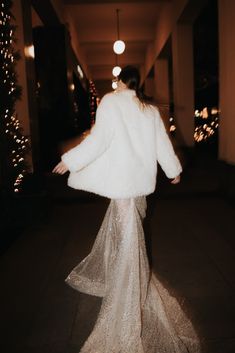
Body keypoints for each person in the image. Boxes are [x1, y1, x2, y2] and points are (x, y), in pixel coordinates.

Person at [52, 66, 199, 353]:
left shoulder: (111, 101)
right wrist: (173, 171)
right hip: (138, 185)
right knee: (129, 233)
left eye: (116, 80)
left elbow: (99, 140)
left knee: (128, 237)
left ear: (120, 82)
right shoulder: (148, 110)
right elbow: (162, 145)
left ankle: (126, 286)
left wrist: (71, 160)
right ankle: (124, 275)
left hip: (121, 186)